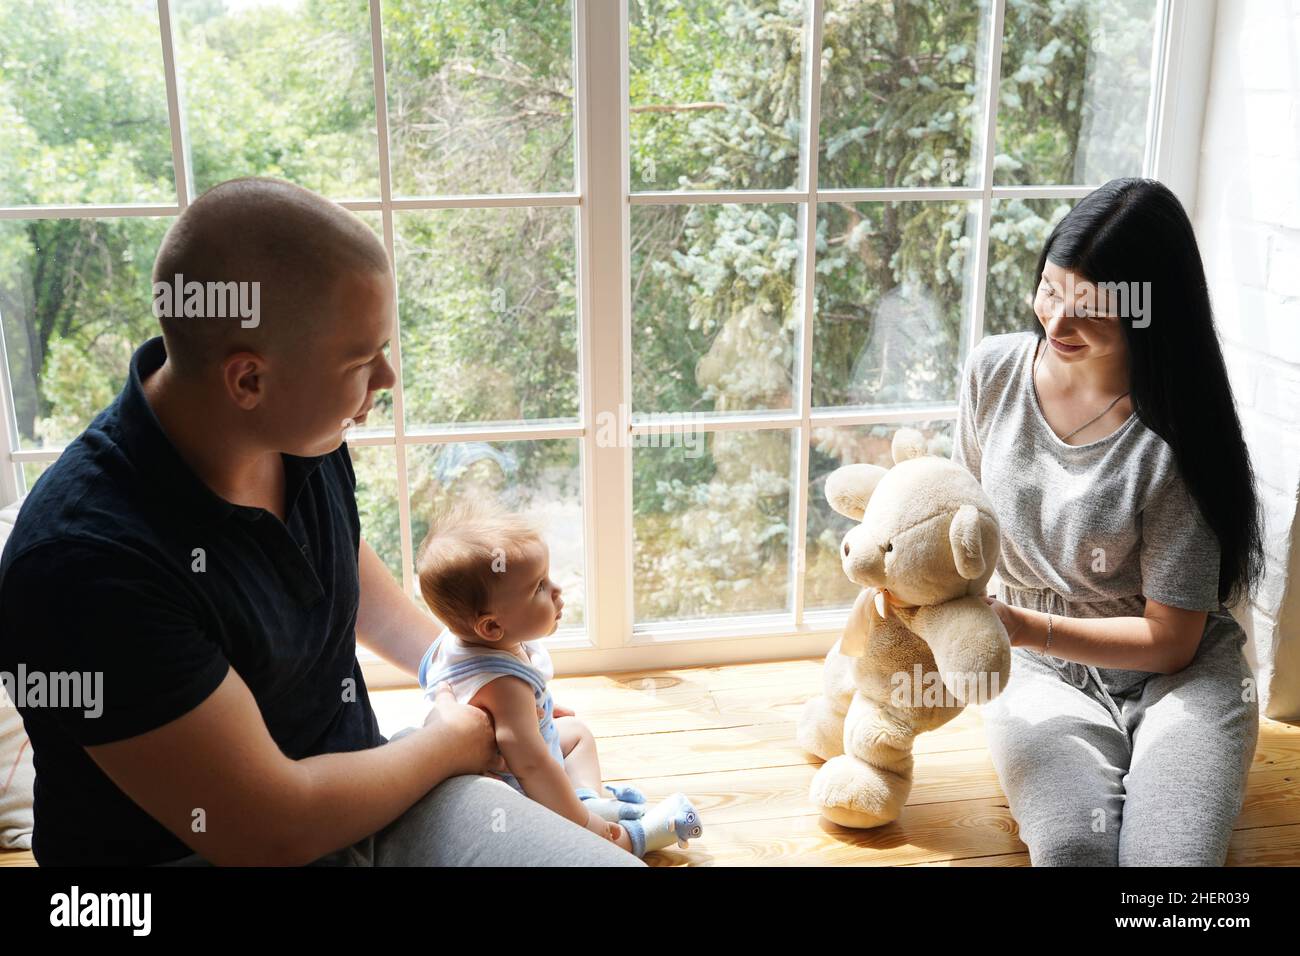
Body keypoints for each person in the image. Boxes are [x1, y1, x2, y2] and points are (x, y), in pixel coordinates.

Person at [0, 176, 644, 867]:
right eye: (363, 360)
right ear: (248, 380)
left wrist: (479, 680)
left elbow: (341, 577)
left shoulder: (302, 433)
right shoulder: (82, 566)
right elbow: (267, 829)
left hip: (370, 797)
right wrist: (457, 740)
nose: (389, 378)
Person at [943, 177, 1264, 866]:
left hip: (1177, 673)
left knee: (1170, 868)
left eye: (1088, 311)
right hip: (1036, 668)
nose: (1055, 324)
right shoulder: (992, 374)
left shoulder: (1174, 437)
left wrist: (1030, 625)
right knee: (1071, 848)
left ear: (1150, 316)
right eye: (1051, 291)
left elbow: (1171, 641)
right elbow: (953, 520)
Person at [414, 498, 703, 858]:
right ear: (491, 626)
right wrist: (584, 823)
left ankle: (588, 798)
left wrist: (535, 711)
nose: (556, 590)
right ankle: (629, 835)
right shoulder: (504, 684)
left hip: (511, 758)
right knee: (586, 824)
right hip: (516, 788)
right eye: (538, 587)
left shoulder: (458, 643)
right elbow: (532, 765)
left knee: (576, 733)